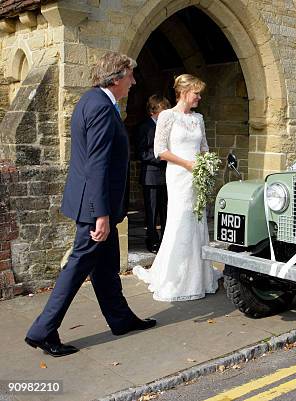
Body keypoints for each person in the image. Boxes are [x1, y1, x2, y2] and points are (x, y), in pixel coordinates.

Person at [25, 52, 156, 357]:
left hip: (97, 203)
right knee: (77, 267)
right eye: (130, 75)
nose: (134, 81)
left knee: (107, 267)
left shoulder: (92, 100)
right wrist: (101, 215)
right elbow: (96, 164)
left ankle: (121, 319)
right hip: (95, 207)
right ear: (116, 77)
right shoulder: (99, 107)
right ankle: (42, 331)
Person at [133, 74, 221, 302]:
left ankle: (200, 276)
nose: (199, 97)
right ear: (184, 92)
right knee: (180, 220)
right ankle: (176, 278)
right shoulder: (166, 116)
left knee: (198, 220)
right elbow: (159, 150)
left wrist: (205, 162)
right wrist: (188, 164)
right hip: (179, 175)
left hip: (197, 177)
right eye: (196, 93)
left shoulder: (198, 119)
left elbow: (203, 147)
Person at [138, 95, 170, 253]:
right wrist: (161, 158)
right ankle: (152, 241)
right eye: (162, 109)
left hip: (167, 176)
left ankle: (165, 240)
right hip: (150, 176)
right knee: (151, 212)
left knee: (166, 211)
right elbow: (142, 153)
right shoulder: (144, 127)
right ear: (153, 111)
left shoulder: (168, 127)